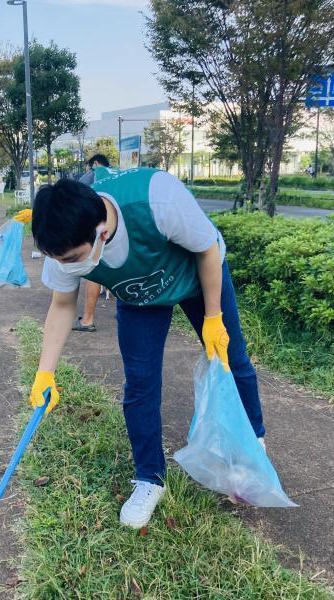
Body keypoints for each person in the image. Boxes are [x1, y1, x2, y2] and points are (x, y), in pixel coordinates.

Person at [29, 167, 266, 529]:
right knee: (140, 383)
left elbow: (206, 250)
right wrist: (45, 371)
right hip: (139, 295)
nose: (66, 266)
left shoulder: (158, 198)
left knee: (230, 359)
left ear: (101, 232)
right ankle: (149, 477)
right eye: (61, 260)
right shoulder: (64, 247)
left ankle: (252, 451)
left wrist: (213, 316)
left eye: (74, 258)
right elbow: (62, 305)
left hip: (195, 275)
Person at [73, 154, 112, 332]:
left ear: (95, 163)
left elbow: (78, 200)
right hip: (120, 229)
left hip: (98, 228)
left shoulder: (92, 175)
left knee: (94, 272)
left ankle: (87, 320)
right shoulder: (116, 174)